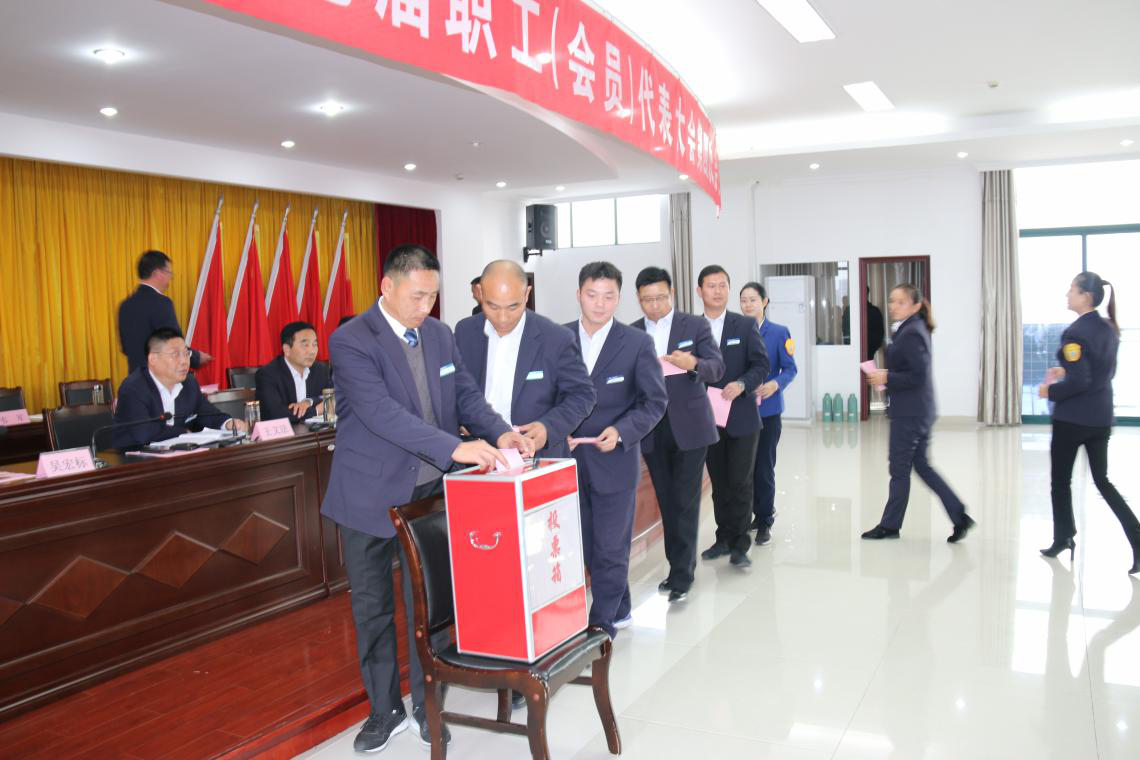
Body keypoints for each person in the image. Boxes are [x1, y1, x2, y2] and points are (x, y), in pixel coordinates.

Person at [321, 245, 533, 753]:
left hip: (430, 494)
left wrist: (500, 432)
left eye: (433, 296)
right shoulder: (352, 340)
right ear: (387, 287)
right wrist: (454, 447)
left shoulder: (439, 335)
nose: (425, 306)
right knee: (373, 609)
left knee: (429, 607)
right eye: (417, 296)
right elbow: (379, 413)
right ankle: (383, 710)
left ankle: (425, 704)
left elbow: (465, 396)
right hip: (368, 497)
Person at [565, 262, 667, 635]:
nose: (600, 304)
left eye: (609, 296)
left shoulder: (636, 343)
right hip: (568, 462)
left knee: (610, 546)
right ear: (579, 294)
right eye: (592, 295)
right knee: (588, 545)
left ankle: (601, 624)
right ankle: (620, 606)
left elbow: (654, 402)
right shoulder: (557, 339)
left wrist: (622, 431)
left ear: (619, 298)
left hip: (615, 460)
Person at [631, 266, 724, 603]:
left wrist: (693, 363)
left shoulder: (694, 325)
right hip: (652, 429)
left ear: (671, 294)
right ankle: (677, 566)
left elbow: (717, 367)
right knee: (667, 500)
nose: (654, 305)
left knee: (684, 501)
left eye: (660, 297)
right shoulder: (631, 333)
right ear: (638, 299)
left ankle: (682, 574)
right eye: (647, 300)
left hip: (690, 427)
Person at [1037, 272, 1139, 573]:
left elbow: (1081, 380)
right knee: (1103, 481)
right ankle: (1136, 536)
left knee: (1060, 482)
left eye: (1072, 290)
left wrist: (1049, 391)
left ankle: (1063, 537)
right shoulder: (1109, 328)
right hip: (1100, 417)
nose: (1067, 295)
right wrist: (1064, 371)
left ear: (1086, 297)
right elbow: (1102, 372)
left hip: (1072, 420)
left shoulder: (1075, 333)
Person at [862, 284, 974, 542]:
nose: (893, 306)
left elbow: (918, 376)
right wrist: (888, 377)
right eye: (892, 301)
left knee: (899, 469)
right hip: (917, 409)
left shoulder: (912, 332)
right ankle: (959, 515)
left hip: (910, 414)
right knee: (921, 465)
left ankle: (890, 525)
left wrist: (887, 376)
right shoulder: (909, 328)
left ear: (915, 306)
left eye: (900, 302)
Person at [454, 260, 595, 459]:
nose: (502, 318)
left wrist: (548, 428)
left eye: (513, 307)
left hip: (537, 457)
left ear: (527, 294)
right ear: (480, 293)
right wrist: (462, 419)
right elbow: (457, 390)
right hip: (478, 456)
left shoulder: (556, 338)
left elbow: (583, 395)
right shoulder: (465, 332)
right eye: (492, 306)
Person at [697, 266, 770, 569]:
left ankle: (740, 544)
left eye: (722, 285)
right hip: (707, 419)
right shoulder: (691, 328)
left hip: (741, 417)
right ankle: (723, 538)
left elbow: (761, 365)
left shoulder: (744, 325)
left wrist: (742, 385)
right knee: (719, 482)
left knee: (740, 482)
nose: (717, 291)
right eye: (711, 285)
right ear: (700, 291)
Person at [112, 328, 244, 449]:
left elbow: (207, 414)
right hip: (133, 460)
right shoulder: (133, 388)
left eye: (186, 354)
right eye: (175, 355)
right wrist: (183, 433)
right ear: (153, 359)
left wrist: (228, 423)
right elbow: (144, 432)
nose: (184, 361)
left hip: (177, 458)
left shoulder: (189, 384)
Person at [739, 282, 797, 546]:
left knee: (763, 467)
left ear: (764, 302)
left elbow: (790, 368)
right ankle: (753, 513)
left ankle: (765, 521)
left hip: (768, 412)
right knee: (745, 468)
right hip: (742, 410)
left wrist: (775, 384)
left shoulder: (779, 332)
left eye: (753, 299)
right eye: (744, 300)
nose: (748, 304)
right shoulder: (735, 331)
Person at [117, 250, 211, 374]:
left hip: (136, 379)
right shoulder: (161, 303)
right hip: (161, 379)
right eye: (169, 273)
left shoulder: (125, 306)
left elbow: (125, 348)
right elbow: (174, 344)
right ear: (157, 273)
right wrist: (197, 358)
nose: (170, 278)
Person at [254, 321, 331, 421]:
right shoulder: (267, 375)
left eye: (314, 344)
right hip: (285, 431)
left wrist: (309, 402)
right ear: (287, 349)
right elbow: (276, 414)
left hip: (317, 430)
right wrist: (316, 410)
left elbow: (334, 397)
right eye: (305, 345)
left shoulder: (320, 369)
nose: (312, 351)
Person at [866, 286, 886, 361]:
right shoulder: (850, 311)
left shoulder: (874, 311)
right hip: (853, 350)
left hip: (869, 350)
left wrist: (871, 349)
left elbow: (880, 332)